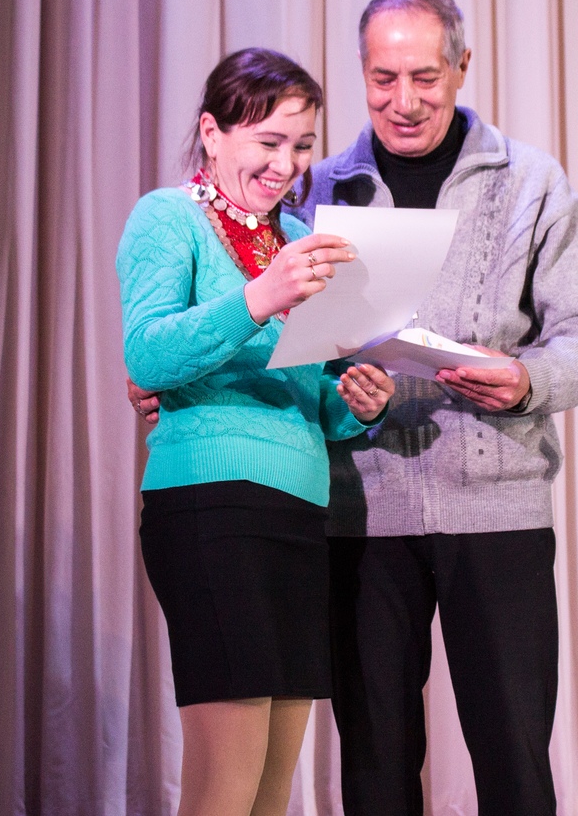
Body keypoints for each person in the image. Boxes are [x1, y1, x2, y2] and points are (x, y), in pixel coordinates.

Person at [299, 0, 578, 815]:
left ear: (461, 66)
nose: (403, 101)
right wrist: (341, 388)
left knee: (513, 757)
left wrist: (526, 379)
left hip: (498, 512)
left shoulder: (530, 181)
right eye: (383, 79)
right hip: (361, 514)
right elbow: (284, 341)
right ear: (361, 72)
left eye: (424, 77)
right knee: (374, 759)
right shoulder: (321, 187)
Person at [117, 48, 395, 816]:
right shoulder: (168, 217)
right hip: (211, 505)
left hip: (298, 511)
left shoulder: (295, 235)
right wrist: (258, 297)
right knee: (225, 781)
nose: (287, 165)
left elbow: (307, 393)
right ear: (212, 133)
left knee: (274, 786)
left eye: (301, 145)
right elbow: (146, 353)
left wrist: (355, 403)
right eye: (268, 142)